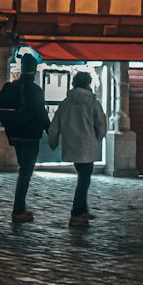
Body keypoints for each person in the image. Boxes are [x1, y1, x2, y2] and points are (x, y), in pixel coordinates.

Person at [46, 70, 107, 229]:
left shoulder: (65, 103)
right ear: (88, 84)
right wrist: (99, 138)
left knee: (83, 177)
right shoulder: (93, 102)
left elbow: (54, 127)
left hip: (72, 146)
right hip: (88, 146)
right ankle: (76, 214)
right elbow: (101, 123)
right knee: (84, 181)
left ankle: (83, 210)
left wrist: (53, 143)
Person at [0, 53, 49, 223]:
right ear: (34, 71)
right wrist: (51, 131)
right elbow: (41, 113)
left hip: (15, 134)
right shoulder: (34, 90)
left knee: (23, 170)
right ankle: (18, 209)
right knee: (25, 172)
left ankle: (21, 206)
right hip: (30, 136)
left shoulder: (10, 87)